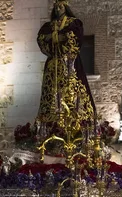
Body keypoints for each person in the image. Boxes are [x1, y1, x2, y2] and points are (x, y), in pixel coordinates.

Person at [36, 0, 95, 131]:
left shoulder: (74, 23)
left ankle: (76, 124)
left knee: (72, 92)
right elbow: (41, 38)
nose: (58, 9)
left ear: (66, 7)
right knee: (51, 93)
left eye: (61, 6)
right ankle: (49, 124)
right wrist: (58, 37)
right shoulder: (48, 26)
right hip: (53, 65)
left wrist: (53, 37)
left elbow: (74, 38)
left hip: (70, 64)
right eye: (56, 7)